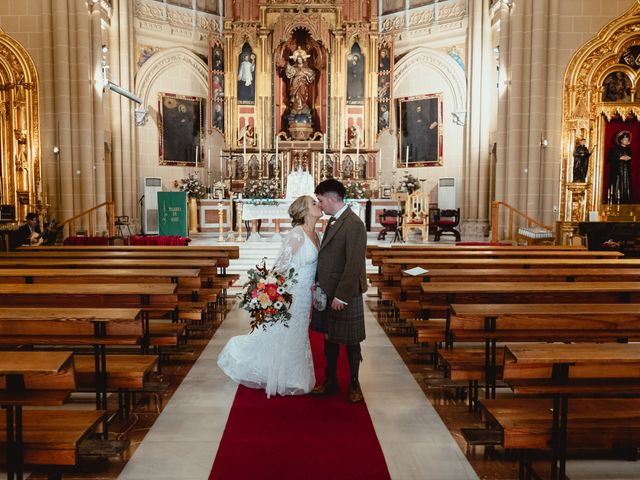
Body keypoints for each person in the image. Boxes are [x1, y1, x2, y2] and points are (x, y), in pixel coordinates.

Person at [218, 195, 323, 397]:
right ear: (304, 211)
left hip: (305, 295)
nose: (318, 205)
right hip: (292, 294)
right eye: (313, 203)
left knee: (298, 334)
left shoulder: (316, 234)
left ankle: (292, 375)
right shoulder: (297, 234)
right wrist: (274, 293)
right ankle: (245, 357)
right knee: (284, 333)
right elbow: (279, 268)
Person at [311, 179, 368, 403]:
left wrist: (342, 296)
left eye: (321, 200)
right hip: (328, 290)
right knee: (329, 339)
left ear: (333, 199)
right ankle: (331, 380)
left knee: (352, 341)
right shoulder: (335, 220)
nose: (320, 205)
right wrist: (318, 281)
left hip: (345, 293)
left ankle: (354, 384)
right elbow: (327, 257)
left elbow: (354, 264)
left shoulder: (353, 224)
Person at [285, 48, 316, 114]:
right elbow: (289, 73)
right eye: (298, 59)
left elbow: (312, 74)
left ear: (302, 59)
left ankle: (303, 106)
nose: (299, 60)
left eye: (300, 59)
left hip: (303, 84)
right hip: (295, 84)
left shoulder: (306, 68)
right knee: (296, 96)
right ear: (296, 60)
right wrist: (287, 65)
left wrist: (307, 75)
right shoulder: (294, 68)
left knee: (303, 94)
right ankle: (295, 107)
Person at [608, 130, 633, 203]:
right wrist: (619, 158)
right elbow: (611, 158)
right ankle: (616, 200)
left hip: (626, 172)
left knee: (627, 185)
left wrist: (627, 158)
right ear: (621, 140)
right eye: (624, 139)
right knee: (618, 185)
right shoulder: (615, 149)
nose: (626, 141)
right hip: (618, 172)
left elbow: (630, 157)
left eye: (627, 139)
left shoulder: (629, 149)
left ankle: (627, 200)